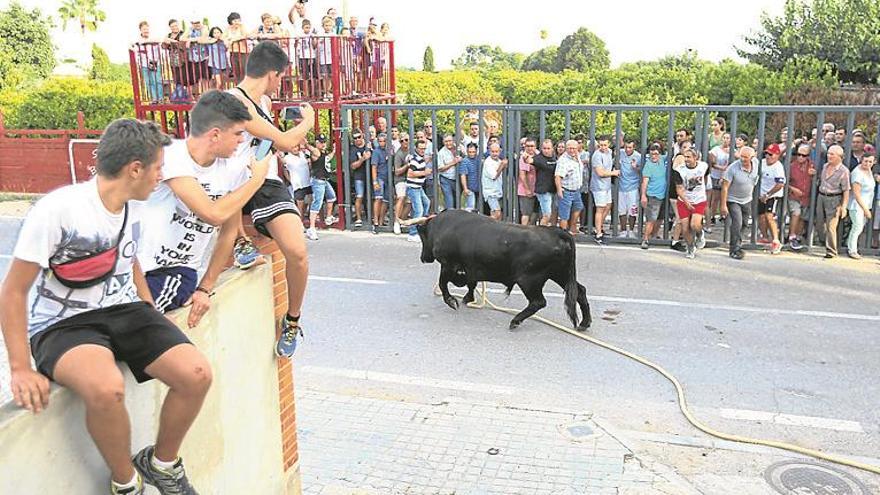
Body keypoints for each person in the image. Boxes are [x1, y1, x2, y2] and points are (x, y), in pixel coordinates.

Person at [0, 119, 208, 495]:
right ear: (134, 169)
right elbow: (13, 291)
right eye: (158, 167)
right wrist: (19, 367)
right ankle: (127, 483)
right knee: (108, 388)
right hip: (63, 324)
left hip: (124, 311)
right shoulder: (59, 210)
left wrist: (149, 310)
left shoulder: (133, 206)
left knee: (196, 373)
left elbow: (129, 261)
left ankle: (161, 464)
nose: (161, 176)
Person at [140, 91, 270, 326]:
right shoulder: (171, 156)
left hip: (175, 271)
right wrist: (256, 180)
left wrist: (205, 287)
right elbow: (212, 214)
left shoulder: (233, 170)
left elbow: (228, 230)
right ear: (215, 135)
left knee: (139, 325)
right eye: (238, 134)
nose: (242, 141)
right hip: (137, 264)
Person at [228, 41, 316, 357]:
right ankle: (239, 239)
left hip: (265, 179)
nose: (281, 84)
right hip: (234, 182)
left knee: (298, 251)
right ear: (271, 73)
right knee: (223, 181)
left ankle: (292, 321)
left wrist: (287, 145)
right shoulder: (233, 101)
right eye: (281, 77)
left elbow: (270, 142)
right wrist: (307, 121)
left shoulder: (263, 99)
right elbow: (282, 136)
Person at [720, 147, 759, 260]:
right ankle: (734, 248)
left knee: (745, 223)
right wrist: (723, 205)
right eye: (741, 156)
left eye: (746, 157)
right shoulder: (733, 168)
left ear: (752, 158)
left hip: (747, 199)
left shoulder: (756, 164)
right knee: (737, 222)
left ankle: (738, 243)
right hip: (733, 199)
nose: (743, 159)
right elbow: (725, 187)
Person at [815, 145, 851, 259]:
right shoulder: (825, 166)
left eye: (832, 154)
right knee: (819, 222)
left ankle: (831, 251)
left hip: (834, 199)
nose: (828, 156)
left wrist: (844, 206)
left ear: (839, 157)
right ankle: (823, 241)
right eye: (828, 153)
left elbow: (846, 190)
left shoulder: (844, 171)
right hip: (821, 196)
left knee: (831, 226)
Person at [673, 149, 709, 259]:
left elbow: (705, 178)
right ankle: (690, 246)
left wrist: (703, 191)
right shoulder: (679, 170)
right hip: (684, 200)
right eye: (685, 157)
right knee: (685, 228)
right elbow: (679, 188)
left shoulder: (704, 166)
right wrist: (686, 201)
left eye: (689, 157)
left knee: (695, 224)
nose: (686, 159)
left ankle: (700, 234)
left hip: (699, 200)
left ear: (695, 158)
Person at [304, 134, 338, 240]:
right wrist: (305, 142)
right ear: (317, 143)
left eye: (324, 142)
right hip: (318, 181)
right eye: (321, 142)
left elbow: (327, 158)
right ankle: (312, 228)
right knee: (317, 204)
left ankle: (328, 217)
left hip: (324, 180)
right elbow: (311, 148)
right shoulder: (316, 152)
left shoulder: (323, 153)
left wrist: (334, 150)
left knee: (332, 197)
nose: (323, 144)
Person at [786, 143, 816, 250]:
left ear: (808, 156)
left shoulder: (812, 166)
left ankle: (797, 237)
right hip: (794, 195)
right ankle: (792, 236)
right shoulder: (791, 166)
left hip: (807, 196)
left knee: (803, 217)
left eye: (803, 155)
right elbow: (785, 182)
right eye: (798, 154)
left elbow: (818, 181)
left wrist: (814, 176)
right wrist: (793, 189)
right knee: (796, 213)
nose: (800, 157)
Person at [757, 144, 786, 254]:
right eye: (766, 153)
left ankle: (776, 240)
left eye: (771, 154)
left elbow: (780, 184)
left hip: (773, 195)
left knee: (770, 216)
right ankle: (764, 237)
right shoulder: (762, 162)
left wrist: (768, 194)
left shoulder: (778, 167)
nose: (768, 156)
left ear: (777, 155)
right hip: (761, 194)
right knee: (761, 216)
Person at [846, 155, 876, 259]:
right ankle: (852, 250)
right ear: (861, 161)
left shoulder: (869, 171)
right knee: (857, 227)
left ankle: (851, 245)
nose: (868, 164)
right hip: (857, 205)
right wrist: (865, 210)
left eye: (870, 162)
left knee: (859, 227)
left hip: (866, 204)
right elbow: (856, 194)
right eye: (866, 161)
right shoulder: (857, 173)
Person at [590, 136, 619, 244]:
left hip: (606, 186)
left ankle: (598, 227)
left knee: (608, 206)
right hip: (599, 186)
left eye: (605, 145)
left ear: (608, 144)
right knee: (600, 209)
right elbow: (600, 173)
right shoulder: (596, 155)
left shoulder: (609, 152)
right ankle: (598, 233)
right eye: (601, 145)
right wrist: (614, 173)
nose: (603, 147)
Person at [639, 144, 667, 249]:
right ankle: (645, 239)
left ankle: (653, 235)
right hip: (653, 196)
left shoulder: (662, 160)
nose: (654, 156)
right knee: (651, 219)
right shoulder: (648, 165)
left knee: (659, 218)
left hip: (662, 195)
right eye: (652, 154)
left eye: (656, 154)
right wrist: (643, 196)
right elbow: (644, 182)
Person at [555, 140, 585, 234]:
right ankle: (563, 235)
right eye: (569, 148)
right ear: (566, 148)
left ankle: (572, 228)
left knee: (578, 207)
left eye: (574, 148)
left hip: (576, 190)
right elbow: (558, 176)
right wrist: (560, 191)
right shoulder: (563, 161)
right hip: (566, 191)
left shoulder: (576, 157)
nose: (572, 150)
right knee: (564, 215)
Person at [406, 140, 432, 242]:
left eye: (424, 149)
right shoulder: (414, 159)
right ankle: (412, 233)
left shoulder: (420, 158)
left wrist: (428, 159)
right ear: (416, 148)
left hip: (418, 187)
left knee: (427, 203)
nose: (422, 150)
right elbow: (410, 174)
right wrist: (424, 172)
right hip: (413, 188)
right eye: (420, 148)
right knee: (419, 210)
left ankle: (421, 225)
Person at [133, 21, 163, 103]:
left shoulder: (154, 37)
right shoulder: (137, 40)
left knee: (157, 81)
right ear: (140, 30)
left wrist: (145, 42)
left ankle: (160, 98)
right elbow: (133, 47)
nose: (146, 31)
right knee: (149, 82)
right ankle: (154, 99)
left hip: (155, 63)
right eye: (144, 29)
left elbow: (159, 42)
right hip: (144, 64)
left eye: (147, 29)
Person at [617, 141, 642, 238]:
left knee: (632, 210)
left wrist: (636, 167)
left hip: (633, 187)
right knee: (621, 210)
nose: (627, 149)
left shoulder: (638, 156)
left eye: (630, 147)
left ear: (634, 148)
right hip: (621, 187)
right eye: (626, 147)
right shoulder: (620, 153)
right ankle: (623, 230)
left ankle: (631, 230)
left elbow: (642, 171)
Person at [707, 132, 732, 226]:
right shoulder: (716, 150)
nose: (726, 140)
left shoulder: (732, 151)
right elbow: (712, 163)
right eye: (724, 138)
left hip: (727, 176)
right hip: (716, 175)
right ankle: (712, 216)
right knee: (715, 198)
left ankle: (724, 215)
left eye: (728, 138)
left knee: (725, 197)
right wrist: (722, 168)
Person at [348, 130, 371, 228]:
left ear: (363, 136)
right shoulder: (353, 149)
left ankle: (372, 217)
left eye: (359, 137)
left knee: (372, 197)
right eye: (355, 138)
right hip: (359, 177)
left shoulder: (370, 146)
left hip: (371, 175)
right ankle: (358, 218)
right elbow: (353, 166)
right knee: (359, 196)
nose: (357, 139)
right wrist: (362, 159)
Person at [533, 139, 558, 226]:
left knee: (552, 213)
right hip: (543, 191)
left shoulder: (555, 158)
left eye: (548, 148)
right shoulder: (538, 158)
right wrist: (526, 158)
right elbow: (530, 161)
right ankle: (541, 234)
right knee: (547, 215)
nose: (546, 150)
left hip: (553, 190)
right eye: (544, 148)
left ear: (552, 148)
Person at [370, 133, 391, 234]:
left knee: (386, 200)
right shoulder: (376, 152)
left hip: (388, 178)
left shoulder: (389, 150)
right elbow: (373, 167)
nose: (382, 143)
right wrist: (375, 182)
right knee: (378, 199)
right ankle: (376, 222)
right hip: (380, 178)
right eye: (380, 141)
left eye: (384, 141)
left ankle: (381, 221)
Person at [392, 132, 411, 233]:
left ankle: (402, 221)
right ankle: (396, 222)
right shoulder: (398, 154)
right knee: (401, 197)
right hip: (400, 180)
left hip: (412, 179)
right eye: (402, 141)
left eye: (406, 140)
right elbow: (397, 171)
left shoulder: (413, 149)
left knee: (410, 202)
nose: (404, 142)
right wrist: (407, 165)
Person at [437, 135, 462, 211]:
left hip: (457, 179)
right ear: (443, 142)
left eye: (449, 141)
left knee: (457, 202)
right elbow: (440, 168)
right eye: (446, 141)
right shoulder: (441, 153)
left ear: (453, 141)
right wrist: (453, 162)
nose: (448, 143)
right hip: (446, 179)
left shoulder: (459, 148)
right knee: (449, 202)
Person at [482, 143, 506, 220]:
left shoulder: (498, 160)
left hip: (497, 191)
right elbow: (494, 176)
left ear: (500, 151)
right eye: (493, 151)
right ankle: (482, 225)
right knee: (497, 213)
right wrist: (502, 165)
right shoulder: (488, 162)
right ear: (489, 151)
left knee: (497, 215)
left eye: (496, 151)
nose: (495, 153)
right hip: (491, 193)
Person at [517, 138, 538, 225]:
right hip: (525, 190)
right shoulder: (523, 158)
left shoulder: (538, 155)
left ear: (535, 147)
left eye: (532, 146)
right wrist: (527, 189)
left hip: (537, 189)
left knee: (535, 213)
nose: (530, 148)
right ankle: (523, 232)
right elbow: (522, 175)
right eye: (528, 146)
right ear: (524, 146)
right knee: (526, 213)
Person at [458, 142, 481, 213]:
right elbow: (463, 175)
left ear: (476, 151)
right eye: (469, 152)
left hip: (480, 188)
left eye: (473, 152)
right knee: (470, 208)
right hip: (470, 189)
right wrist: (465, 189)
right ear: (467, 151)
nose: (471, 154)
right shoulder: (465, 161)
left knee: (479, 209)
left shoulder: (479, 159)